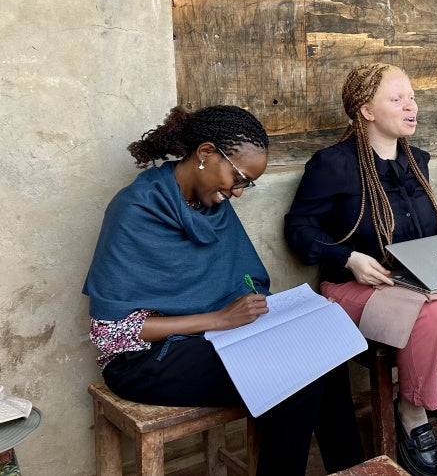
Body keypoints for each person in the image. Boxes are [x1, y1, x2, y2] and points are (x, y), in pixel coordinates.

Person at [82, 105, 364, 475]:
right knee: (297, 378)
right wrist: (217, 318)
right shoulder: (135, 208)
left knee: (329, 351)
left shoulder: (210, 206)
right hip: (145, 360)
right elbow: (110, 332)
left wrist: (287, 314)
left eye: (247, 183)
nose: (239, 191)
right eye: (239, 177)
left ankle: (356, 470)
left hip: (214, 337)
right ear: (206, 153)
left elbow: (241, 284)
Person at [284, 63, 437, 476]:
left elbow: (413, 216)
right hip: (357, 288)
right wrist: (347, 258)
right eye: (397, 98)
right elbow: (298, 228)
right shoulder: (332, 164)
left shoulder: (415, 159)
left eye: (412, 97)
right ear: (366, 111)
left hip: (416, 280)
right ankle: (412, 412)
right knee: (434, 314)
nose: (411, 106)